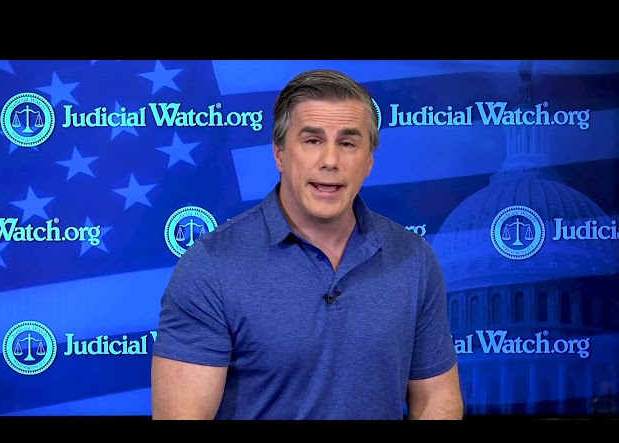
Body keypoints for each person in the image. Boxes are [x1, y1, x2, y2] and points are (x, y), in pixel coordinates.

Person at [151, 68, 464, 420]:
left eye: (347, 143)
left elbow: (437, 399)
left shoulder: (413, 258)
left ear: (369, 161)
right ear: (280, 154)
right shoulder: (211, 266)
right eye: (312, 141)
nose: (330, 161)